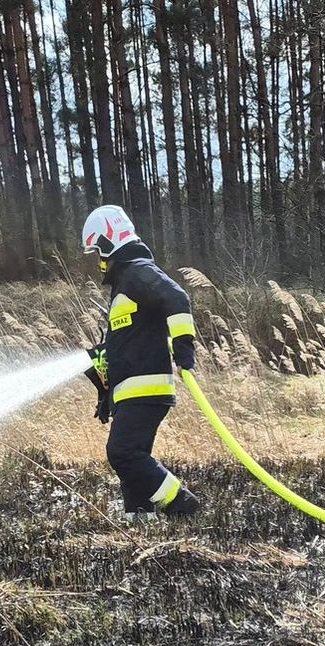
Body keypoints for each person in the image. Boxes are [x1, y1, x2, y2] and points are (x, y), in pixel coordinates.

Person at [81, 203, 199, 519]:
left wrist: (184, 347)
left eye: (97, 252)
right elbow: (128, 341)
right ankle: (139, 518)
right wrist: (107, 390)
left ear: (108, 243)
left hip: (146, 387)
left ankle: (181, 504)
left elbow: (176, 297)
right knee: (134, 456)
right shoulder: (126, 282)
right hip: (132, 390)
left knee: (122, 452)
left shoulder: (137, 271)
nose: (98, 261)